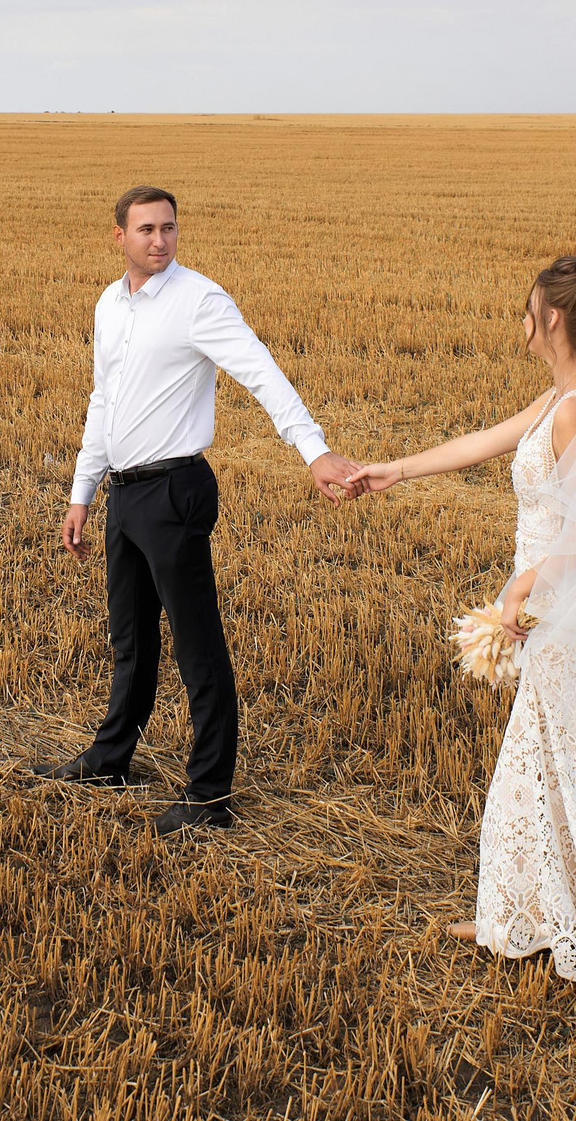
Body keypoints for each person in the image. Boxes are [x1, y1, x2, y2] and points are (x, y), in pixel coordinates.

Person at [347, 255, 576, 981]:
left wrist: (522, 587)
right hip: (552, 610)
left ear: (553, 320)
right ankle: (531, 913)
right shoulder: (558, 398)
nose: (523, 323)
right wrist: (394, 470)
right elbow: (484, 442)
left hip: (566, 614)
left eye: (529, 310)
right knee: (544, 767)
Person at [44, 185, 363, 835]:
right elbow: (103, 401)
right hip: (126, 494)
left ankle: (209, 794)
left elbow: (261, 372)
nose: (160, 240)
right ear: (119, 237)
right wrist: (83, 492)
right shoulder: (111, 304)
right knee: (130, 638)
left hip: (176, 489)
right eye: (146, 230)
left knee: (198, 648)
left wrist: (314, 450)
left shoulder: (199, 299)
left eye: (169, 228)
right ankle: (110, 759)